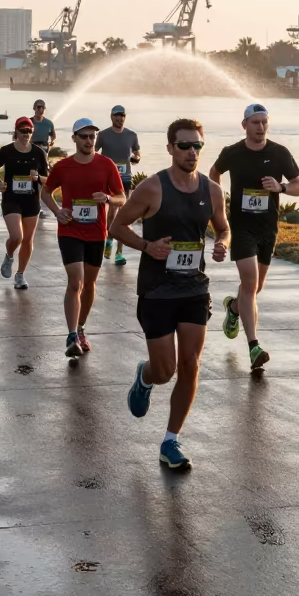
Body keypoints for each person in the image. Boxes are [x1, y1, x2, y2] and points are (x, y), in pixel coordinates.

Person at [112, 118, 230, 469]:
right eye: (185, 146)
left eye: (197, 146)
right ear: (170, 148)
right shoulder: (151, 188)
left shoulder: (211, 190)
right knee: (166, 370)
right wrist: (147, 246)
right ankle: (146, 376)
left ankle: (170, 441)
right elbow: (116, 226)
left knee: (191, 365)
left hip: (194, 287)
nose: (192, 152)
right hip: (157, 290)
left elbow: (223, 228)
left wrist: (222, 244)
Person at [209, 103, 299, 371]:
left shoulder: (279, 153)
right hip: (241, 228)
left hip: (268, 229)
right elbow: (214, 173)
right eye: (255, 123)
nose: (260, 127)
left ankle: (235, 308)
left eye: (264, 122)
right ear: (244, 126)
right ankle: (254, 347)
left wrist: (281, 186)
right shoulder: (232, 153)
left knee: (255, 288)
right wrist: (219, 202)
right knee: (250, 284)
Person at [40, 119, 125, 357]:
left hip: (96, 233)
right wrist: (57, 212)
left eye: (92, 137)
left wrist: (108, 200)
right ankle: (70, 336)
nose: (89, 141)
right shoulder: (63, 167)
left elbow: (122, 197)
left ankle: (80, 328)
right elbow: (45, 191)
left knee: (89, 285)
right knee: (75, 282)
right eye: (84, 136)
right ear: (74, 138)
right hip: (70, 231)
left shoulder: (106, 165)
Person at [0, 116, 49, 288]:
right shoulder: (7, 151)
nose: (26, 134)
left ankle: (20, 275)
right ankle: (9, 256)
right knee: (17, 236)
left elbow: (48, 179)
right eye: (23, 131)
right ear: (16, 131)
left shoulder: (38, 153)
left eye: (29, 131)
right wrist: (0, 183)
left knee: (28, 240)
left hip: (31, 200)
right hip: (11, 199)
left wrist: (38, 177)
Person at [95, 104, 141, 265]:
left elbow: (137, 152)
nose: (119, 118)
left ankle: (119, 252)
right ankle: (108, 239)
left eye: (122, 116)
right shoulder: (103, 135)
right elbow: (93, 153)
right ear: (111, 117)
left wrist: (137, 158)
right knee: (112, 211)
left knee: (124, 213)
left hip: (125, 178)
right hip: (108, 179)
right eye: (116, 115)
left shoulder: (132, 135)